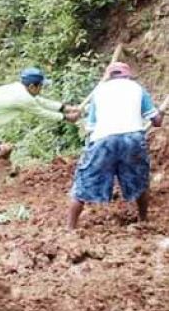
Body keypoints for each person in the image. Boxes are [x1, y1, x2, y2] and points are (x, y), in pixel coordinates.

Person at [67, 62, 163, 230]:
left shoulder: (99, 92)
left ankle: (70, 228)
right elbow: (156, 122)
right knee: (140, 181)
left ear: (108, 76)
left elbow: (90, 127)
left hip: (103, 139)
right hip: (132, 139)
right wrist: (160, 113)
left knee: (83, 184)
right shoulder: (137, 88)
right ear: (127, 75)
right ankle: (143, 220)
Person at [0, 67, 81, 159]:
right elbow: (42, 113)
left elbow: (40, 101)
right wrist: (66, 117)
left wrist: (65, 108)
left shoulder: (18, 88)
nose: (41, 89)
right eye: (41, 86)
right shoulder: (23, 98)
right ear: (32, 86)